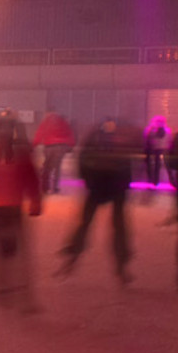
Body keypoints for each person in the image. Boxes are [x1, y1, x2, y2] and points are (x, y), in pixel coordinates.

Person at [57, 118, 140, 285]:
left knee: (97, 224)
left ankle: (118, 265)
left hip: (106, 188)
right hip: (107, 188)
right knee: (108, 225)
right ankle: (75, 258)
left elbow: (84, 159)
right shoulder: (109, 140)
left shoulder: (98, 139)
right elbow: (125, 164)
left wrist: (89, 180)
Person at [0, 117, 42, 311]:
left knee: (7, 248)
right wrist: (34, 201)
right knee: (11, 248)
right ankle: (10, 288)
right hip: (6, 208)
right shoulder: (11, 154)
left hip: (2, 207)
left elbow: (30, 179)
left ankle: (2, 285)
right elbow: (31, 179)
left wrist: (34, 201)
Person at [33, 111, 75, 195]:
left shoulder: (46, 122)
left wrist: (35, 143)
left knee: (47, 167)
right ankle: (55, 188)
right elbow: (69, 133)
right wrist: (71, 144)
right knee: (57, 167)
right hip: (60, 147)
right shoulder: (63, 122)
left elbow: (40, 133)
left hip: (48, 147)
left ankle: (45, 187)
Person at [143, 117, 169, 194]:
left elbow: (146, 138)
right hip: (160, 149)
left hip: (151, 149)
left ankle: (151, 180)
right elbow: (167, 140)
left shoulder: (151, 129)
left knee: (151, 165)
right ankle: (155, 181)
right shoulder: (166, 130)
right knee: (157, 166)